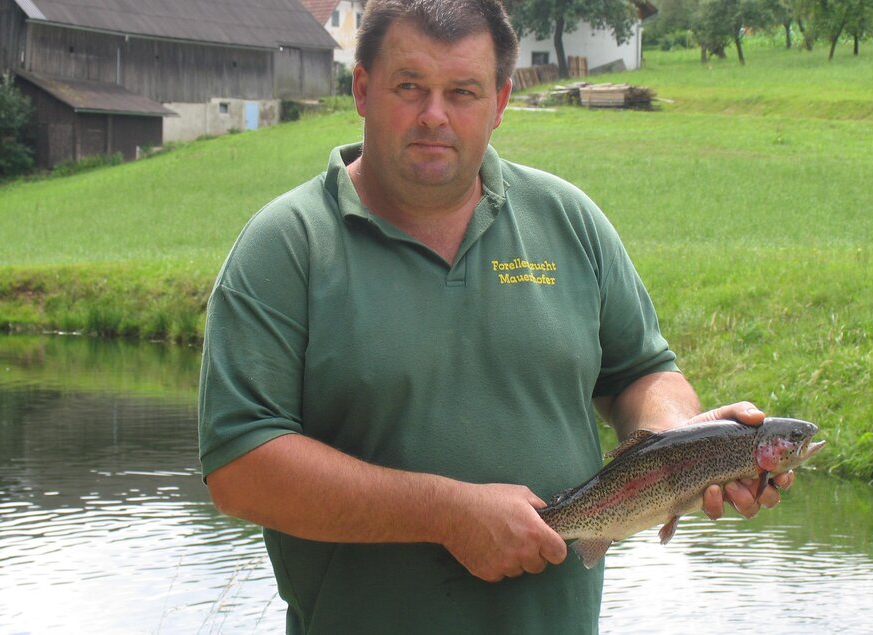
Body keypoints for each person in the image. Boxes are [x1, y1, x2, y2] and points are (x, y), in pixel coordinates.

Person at [198, 1, 792, 632]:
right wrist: (445, 513)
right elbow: (240, 466)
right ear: (363, 89)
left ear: (502, 100)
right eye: (410, 87)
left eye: (462, 91)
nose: (434, 114)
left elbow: (642, 371)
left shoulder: (568, 220)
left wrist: (682, 443)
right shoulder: (286, 246)